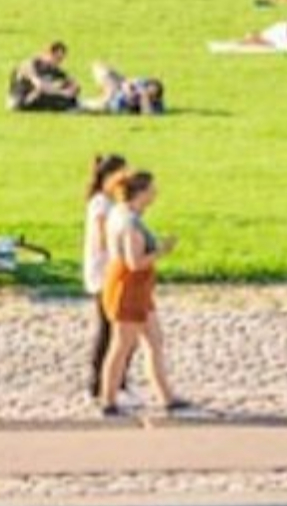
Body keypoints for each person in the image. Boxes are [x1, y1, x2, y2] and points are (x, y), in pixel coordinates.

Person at [96, 171, 184, 416]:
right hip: (129, 287)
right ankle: (108, 399)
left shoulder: (120, 213)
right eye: (151, 190)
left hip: (137, 288)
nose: (155, 194)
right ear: (141, 193)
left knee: (154, 340)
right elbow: (134, 262)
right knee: (122, 344)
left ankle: (166, 396)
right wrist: (162, 251)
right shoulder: (129, 222)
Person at [83, 155, 131, 397]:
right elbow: (103, 238)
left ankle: (112, 381)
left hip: (109, 272)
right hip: (105, 274)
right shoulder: (101, 204)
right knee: (110, 329)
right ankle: (102, 382)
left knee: (117, 329)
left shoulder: (109, 202)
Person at [9, 42, 82, 112]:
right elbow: (40, 86)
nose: (59, 62)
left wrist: (73, 87)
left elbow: (74, 84)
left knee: (68, 99)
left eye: (61, 60)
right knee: (58, 99)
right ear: (48, 54)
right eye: (57, 58)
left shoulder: (53, 69)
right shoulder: (30, 64)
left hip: (38, 98)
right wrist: (61, 92)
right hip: (22, 100)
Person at [90, 62, 166, 115]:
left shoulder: (156, 105)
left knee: (103, 102)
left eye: (151, 95)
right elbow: (127, 83)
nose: (147, 94)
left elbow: (148, 114)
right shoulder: (140, 84)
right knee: (100, 68)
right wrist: (128, 89)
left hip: (112, 102)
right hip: (118, 90)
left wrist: (144, 98)